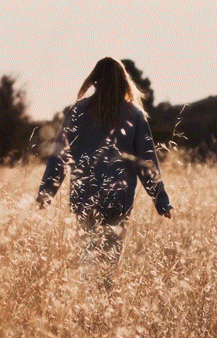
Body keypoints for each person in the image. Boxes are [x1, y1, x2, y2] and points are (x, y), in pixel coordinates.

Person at [37, 57, 173, 287]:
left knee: (88, 264)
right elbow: (147, 161)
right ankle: (104, 308)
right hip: (117, 201)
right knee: (109, 266)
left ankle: (90, 312)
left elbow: (59, 153)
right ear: (124, 82)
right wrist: (161, 201)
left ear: (95, 81)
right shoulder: (134, 115)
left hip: (84, 199)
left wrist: (47, 192)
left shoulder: (78, 111)